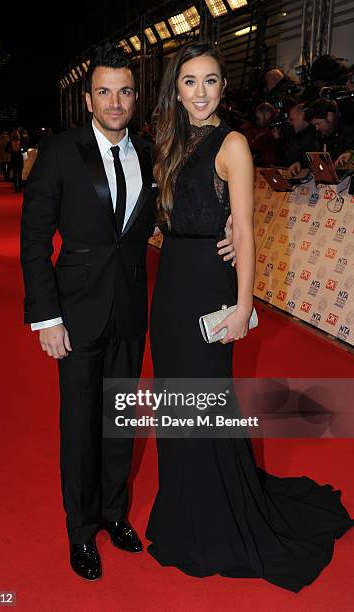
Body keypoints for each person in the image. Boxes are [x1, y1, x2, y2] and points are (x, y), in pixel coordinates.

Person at [20, 43, 237, 582]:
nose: (114, 101)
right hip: (74, 313)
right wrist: (46, 318)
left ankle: (115, 515)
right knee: (80, 422)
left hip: (134, 309)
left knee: (119, 419)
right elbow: (33, 239)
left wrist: (230, 225)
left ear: (136, 97)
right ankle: (81, 529)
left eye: (124, 91)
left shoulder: (151, 152)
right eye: (103, 91)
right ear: (88, 99)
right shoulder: (60, 152)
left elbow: (175, 211)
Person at [145, 42, 353, 593]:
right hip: (170, 288)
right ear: (177, 89)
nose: (201, 92)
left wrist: (243, 305)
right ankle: (184, 506)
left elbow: (246, 230)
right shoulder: (171, 142)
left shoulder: (231, 142)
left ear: (222, 88)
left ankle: (217, 516)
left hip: (210, 289)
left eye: (210, 81)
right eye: (189, 81)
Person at [305, 98, 354, 167]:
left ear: (330, 116)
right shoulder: (320, 135)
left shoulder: (348, 128)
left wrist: (350, 153)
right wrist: (300, 163)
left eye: (318, 123)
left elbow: (351, 145)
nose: (317, 128)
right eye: (315, 125)